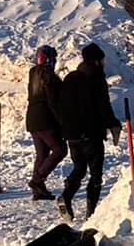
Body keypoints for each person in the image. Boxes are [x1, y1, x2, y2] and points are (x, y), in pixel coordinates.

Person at [54, 42, 122, 219]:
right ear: (97, 61)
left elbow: (59, 105)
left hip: (72, 134)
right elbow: (103, 106)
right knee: (96, 174)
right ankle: (91, 214)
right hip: (91, 133)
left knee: (79, 167)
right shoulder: (96, 78)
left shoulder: (71, 78)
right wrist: (114, 124)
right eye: (102, 60)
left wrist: (65, 128)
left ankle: (66, 196)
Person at [25, 44, 64, 201]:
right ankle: (37, 180)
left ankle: (38, 190)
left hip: (32, 119)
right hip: (45, 119)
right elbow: (54, 102)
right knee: (59, 150)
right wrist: (61, 121)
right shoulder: (50, 77)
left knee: (42, 154)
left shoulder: (33, 74)